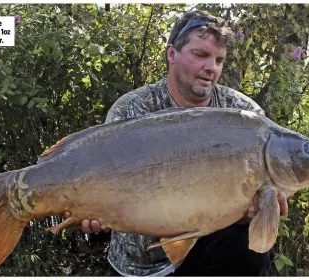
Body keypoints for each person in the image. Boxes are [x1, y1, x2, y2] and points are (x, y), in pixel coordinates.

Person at [65, 9, 289, 276]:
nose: (212, 68)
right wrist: (92, 216)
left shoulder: (245, 116)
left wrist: (258, 210)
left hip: (209, 251)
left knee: (246, 247)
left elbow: (258, 206)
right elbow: (99, 180)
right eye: (201, 55)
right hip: (138, 263)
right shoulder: (132, 109)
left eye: (219, 60)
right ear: (172, 54)